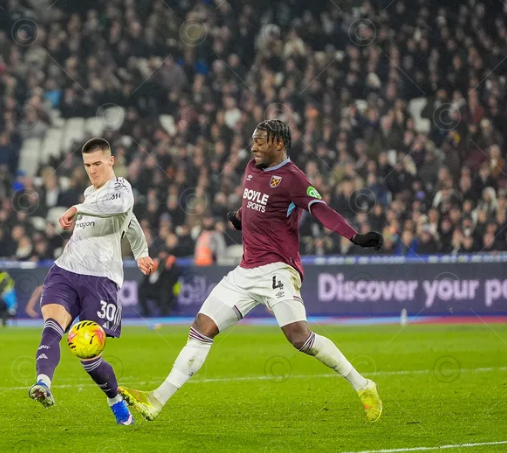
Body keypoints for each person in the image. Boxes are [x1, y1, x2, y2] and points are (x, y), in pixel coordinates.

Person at [119, 120, 385, 422]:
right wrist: (240, 217)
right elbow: (255, 206)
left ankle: (363, 385)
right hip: (245, 271)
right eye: (253, 140)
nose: (253, 146)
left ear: (279, 143)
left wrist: (355, 236)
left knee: (299, 338)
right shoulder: (251, 169)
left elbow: (321, 209)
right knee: (201, 328)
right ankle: (156, 400)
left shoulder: (293, 178)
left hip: (278, 270)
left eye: (260, 141)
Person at [28, 137, 154, 426]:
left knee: (88, 355)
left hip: (100, 280)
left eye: (98, 163)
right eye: (87, 165)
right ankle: (43, 383)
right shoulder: (89, 193)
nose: (92, 170)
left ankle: (114, 398)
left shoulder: (121, 188)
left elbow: (123, 210)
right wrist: (142, 252)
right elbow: (131, 223)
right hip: (66, 270)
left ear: (111, 161)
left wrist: (77, 208)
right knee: (52, 326)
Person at [137, 245, 180, 316]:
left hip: (167, 289)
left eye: (164, 253)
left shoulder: (172, 264)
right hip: (154, 288)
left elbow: (174, 277)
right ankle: (146, 312)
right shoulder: (154, 263)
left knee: (164, 292)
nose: (162, 255)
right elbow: (146, 279)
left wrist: (167, 269)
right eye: (161, 253)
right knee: (142, 290)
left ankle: (164, 312)